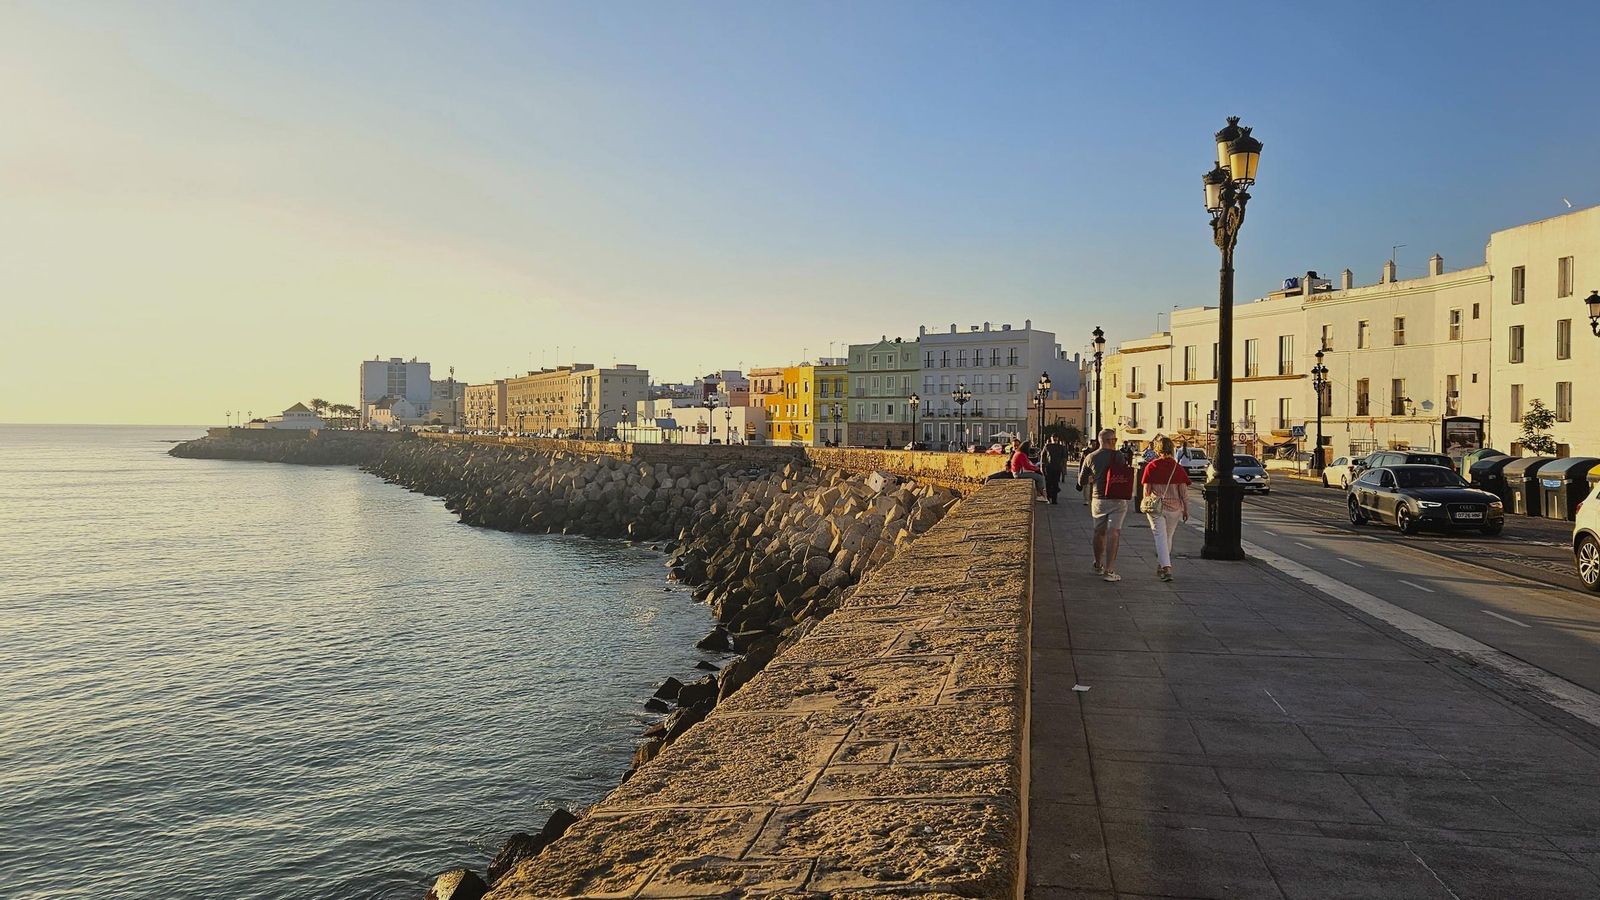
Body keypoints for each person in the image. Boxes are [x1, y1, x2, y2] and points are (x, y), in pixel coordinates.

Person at [1078, 428, 1130, 582]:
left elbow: (1081, 481)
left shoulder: (1090, 457)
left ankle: (1098, 565)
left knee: (1098, 532)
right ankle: (1110, 570)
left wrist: (1091, 480)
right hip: (1117, 499)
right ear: (1111, 441)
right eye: (1115, 439)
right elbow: (1124, 473)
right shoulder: (1118, 456)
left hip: (1098, 499)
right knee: (1114, 533)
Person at [1140, 435, 1192, 582]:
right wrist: (1186, 510)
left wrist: (1146, 501)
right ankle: (1162, 565)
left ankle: (1166, 567)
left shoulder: (1152, 466)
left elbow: (1146, 491)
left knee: (1160, 537)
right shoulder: (1178, 468)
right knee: (1167, 538)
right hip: (1174, 509)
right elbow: (1184, 493)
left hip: (1156, 507)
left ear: (1157, 449)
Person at [1041, 434, 1069, 504]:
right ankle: (1048, 497)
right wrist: (1042, 466)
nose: (1054, 439)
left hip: (1057, 467)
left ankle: (1054, 499)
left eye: (1056, 438)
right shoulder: (1047, 446)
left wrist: (1064, 469)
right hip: (1049, 467)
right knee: (1048, 483)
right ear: (1051, 438)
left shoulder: (1061, 447)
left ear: (1057, 439)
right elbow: (1043, 457)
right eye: (1053, 438)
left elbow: (1064, 459)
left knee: (1055, 483)